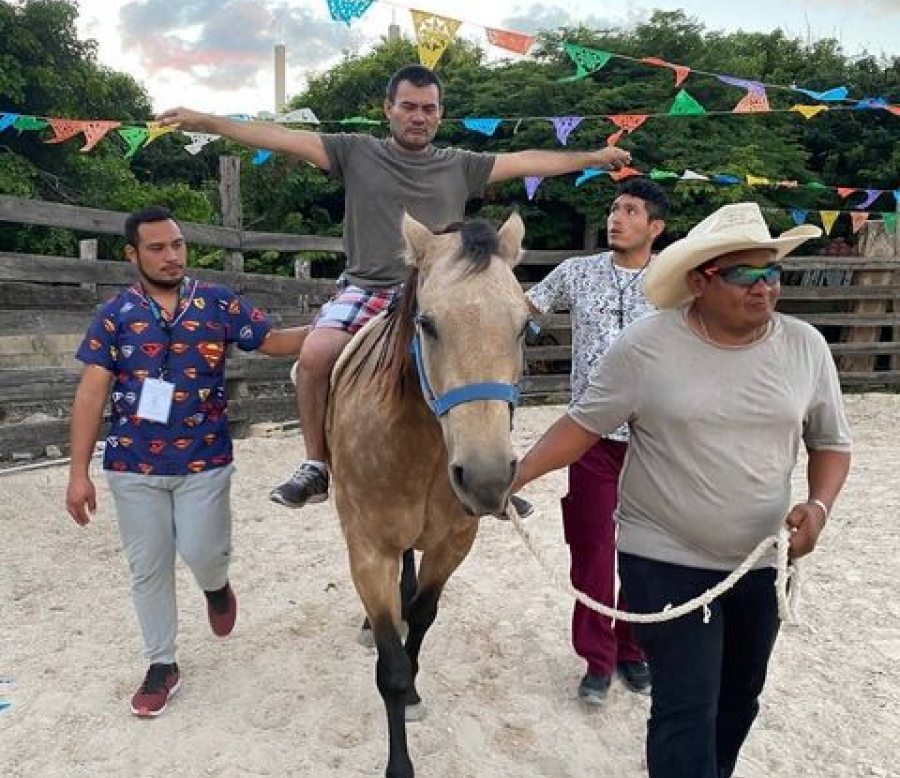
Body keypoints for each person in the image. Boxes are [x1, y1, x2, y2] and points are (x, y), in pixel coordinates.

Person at [511, 202, 851, 778]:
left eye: (773, 272)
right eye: (745, 274)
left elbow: (830, 442)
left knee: (741, 697)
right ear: (701, 280)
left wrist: (819, 507)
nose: (765, 286)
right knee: (686, 708)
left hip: (759, 560)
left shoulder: (805, 346)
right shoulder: (647, 347)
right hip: (664, 553)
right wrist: (514, 474)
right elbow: (585, 423)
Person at [158, 64, 631, 510]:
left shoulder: (460, 164)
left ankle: (494, 471)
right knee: (315, 356)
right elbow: (280, 137)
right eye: (409, 106)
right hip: (368, 288)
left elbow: (528, 159)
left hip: (441, 291)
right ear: (389, 108)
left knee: (490, 354)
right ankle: (316, 464)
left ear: (440, 114)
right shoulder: (354, 151)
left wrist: (591, 157)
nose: (418, 116)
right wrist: (208, 121)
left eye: (428, 108)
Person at [65, 205, 311, 718]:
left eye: (176, 245)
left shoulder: (218, 303)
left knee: (204, 552)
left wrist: (337, 326)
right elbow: (91, 395)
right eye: (156, 248)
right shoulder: (114, 315)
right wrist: (77, 473)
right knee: (147, 567)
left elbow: (270, 342)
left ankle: (216, 588)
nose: (171, 255)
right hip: (132, 465)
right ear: (131, 254)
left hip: (205, 460)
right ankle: (161, 663)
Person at [526, 177, 668, 705]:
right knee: (592, 548)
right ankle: (597, 659)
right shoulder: (576, 273)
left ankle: (633, 649)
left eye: (630, 210)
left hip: (658, 440)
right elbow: (524, 308)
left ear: (655, 227)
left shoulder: (676, 283)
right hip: (588, 436)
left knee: (645, 552)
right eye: (613, 207)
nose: (616, 217)